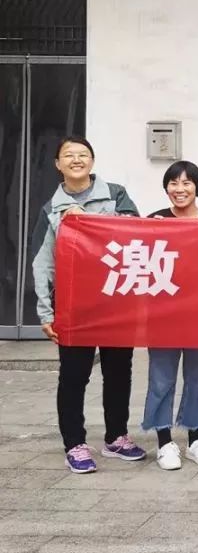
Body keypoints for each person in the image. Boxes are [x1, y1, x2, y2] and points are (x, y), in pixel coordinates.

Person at [31, 136, 146, 473]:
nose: (76, 160)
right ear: (58, 164)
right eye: (69, 155)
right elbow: (42, 263)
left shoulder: (116, 194)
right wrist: (45, 312)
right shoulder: (50, 209)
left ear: (92, 161)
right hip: (74, 305)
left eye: (83, 154)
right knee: (73, 375)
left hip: (116, 300)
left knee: (118, 372)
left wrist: (88, 220)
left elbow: (135, 233)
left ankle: (116, 436)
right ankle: (74, 443)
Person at [142, 161, 198, 470]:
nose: (180, 189)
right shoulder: (154, 221)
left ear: (197, 187)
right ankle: (164, 442)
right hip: (163, 315)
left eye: (187, 183)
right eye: (173, 183)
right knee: (161, 379)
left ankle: (195, 439)